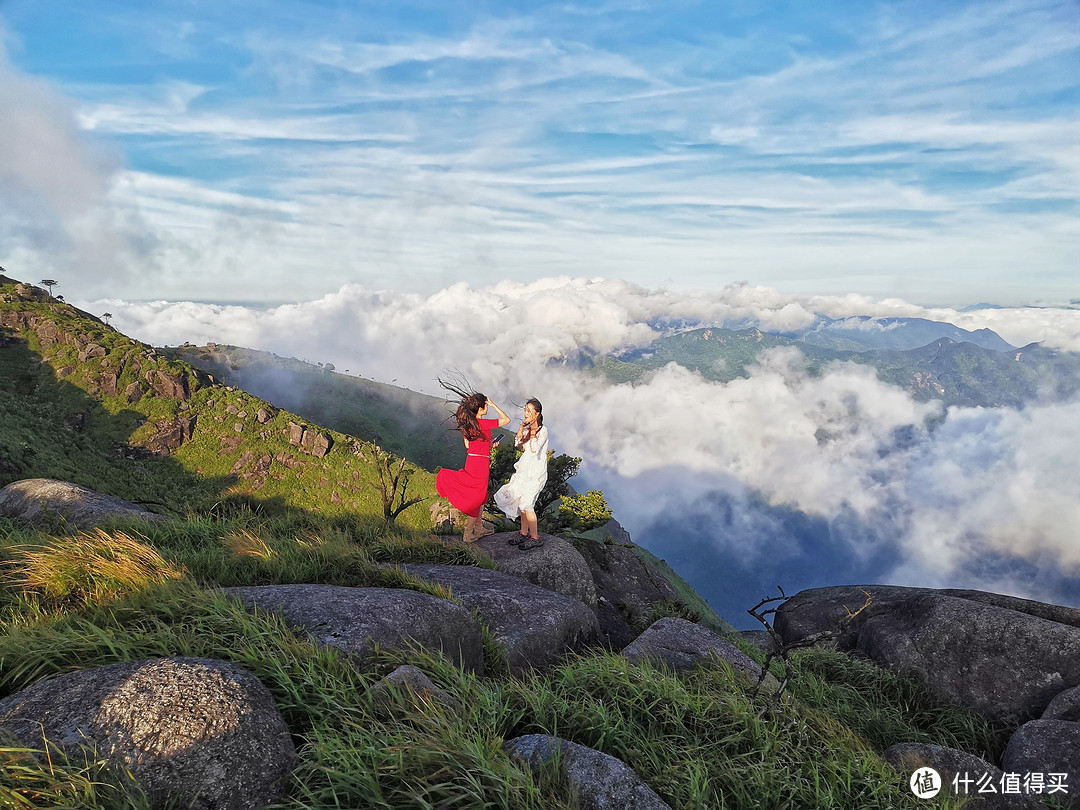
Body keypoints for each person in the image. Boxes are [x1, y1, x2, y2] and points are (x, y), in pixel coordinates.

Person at [436, 381, 510, 542]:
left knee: (482, 494)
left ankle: (478, 528)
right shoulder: (482, 423)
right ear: (481, 408)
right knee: (477, 496)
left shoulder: (468, 424)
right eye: (486, 405)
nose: (488, 408)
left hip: (473, 461)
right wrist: (494, 404)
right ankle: (468, 533)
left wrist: (489, 445)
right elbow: (506, 420)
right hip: (480, 465)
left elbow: (469, 445)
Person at [494, 398, 548, 549]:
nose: (525, 413)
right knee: (522, 503)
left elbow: (534, 448)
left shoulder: (543, 431)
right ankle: (524, 532)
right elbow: (517, 443)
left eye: (529, 411)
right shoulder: (528, 430)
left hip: (536, 472)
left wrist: (530, 431)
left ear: (537, 414)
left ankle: (535, 537)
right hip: (525, 470)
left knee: (527, 504)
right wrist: (522, 428)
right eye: (525, 410)